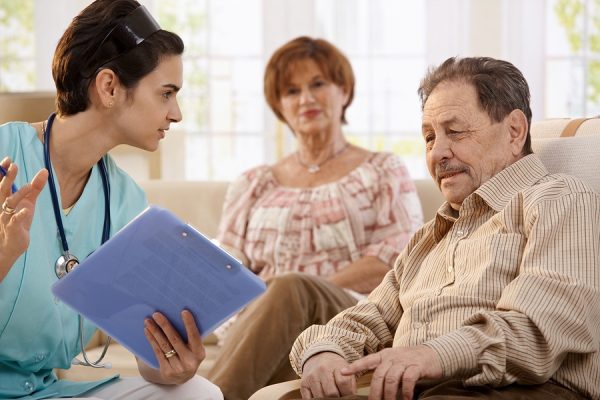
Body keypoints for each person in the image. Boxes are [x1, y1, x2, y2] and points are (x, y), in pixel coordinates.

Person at [291, 56, 600, 400]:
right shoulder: (428, 238)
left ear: (514, 131)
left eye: (454, 132)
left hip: (520, 390)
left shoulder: (559, 199)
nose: (437, 152)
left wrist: (432, 355)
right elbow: (367, 318)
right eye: (428, 137)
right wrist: (324, 353)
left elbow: (541, 329)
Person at [0, 1, 222, 399]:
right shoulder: (5, 155)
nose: (177, 114)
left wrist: (169, 367)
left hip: (45, 392)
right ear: (109, 87)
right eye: (166, 93)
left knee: (195, 393)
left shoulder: (125, 201)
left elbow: (143, 348)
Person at [206, 36, 423, 400]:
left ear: (344, 90)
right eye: (291, 91)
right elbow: (225, 268)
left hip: (348, 319)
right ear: (279, 105)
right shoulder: (252, 183)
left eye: (317, 84)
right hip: (261, 327)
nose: (305, 98)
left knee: (291, 287)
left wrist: (293, 292)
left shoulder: (383, 170)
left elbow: (397, 262)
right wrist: (269, 302)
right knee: (285, 292)